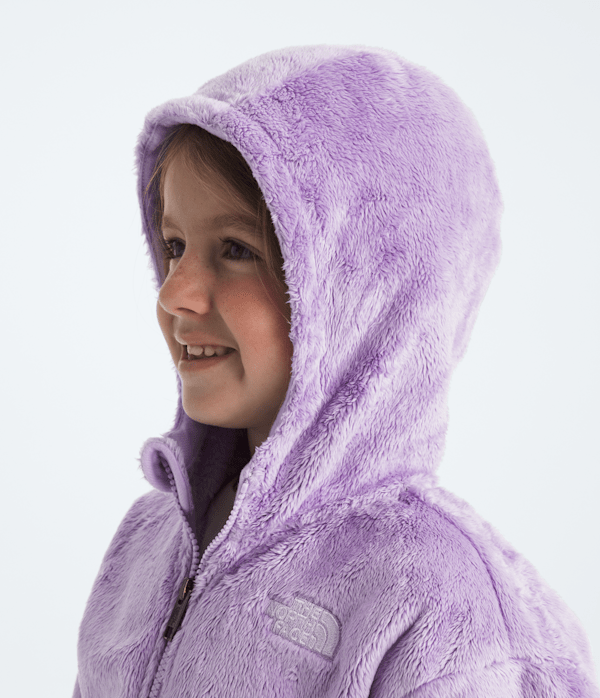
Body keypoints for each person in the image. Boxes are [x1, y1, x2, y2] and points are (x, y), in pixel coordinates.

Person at [72, 45, 599, 697]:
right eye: (175, 246)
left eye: (236, 250)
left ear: (368, 296)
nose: (175, 293)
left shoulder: (450, 617)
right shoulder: (149, 541)